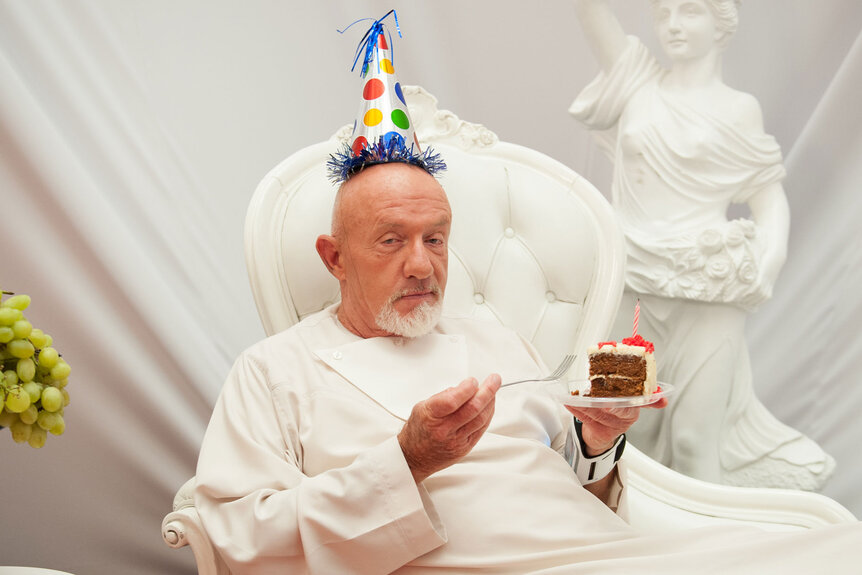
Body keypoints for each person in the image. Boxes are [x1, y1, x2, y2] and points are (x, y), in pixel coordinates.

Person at [195, 160, 861, 575]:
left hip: (610, 555)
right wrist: (407, 460)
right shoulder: (274, 370)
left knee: (841, 552)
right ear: (335, 258)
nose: (423, 264)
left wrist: (600, 440)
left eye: (436, 239)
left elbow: (585, 485)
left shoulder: (496, 338)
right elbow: (239, 543)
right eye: (392, 242)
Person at [568, 0, 834, 488]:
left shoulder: (738, 109)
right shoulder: (635, 80)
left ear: (721, 24)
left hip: (710, 286)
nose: (672, 26)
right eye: (663, 12)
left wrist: (767, 262)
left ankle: (708, 555)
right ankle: (616, 539)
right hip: (632, 284)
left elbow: (767, 196)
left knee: (694, 439)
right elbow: (591, 11)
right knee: (621, 423)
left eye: (689, 12)